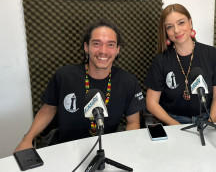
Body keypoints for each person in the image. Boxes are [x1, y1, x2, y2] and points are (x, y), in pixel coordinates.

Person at [15, 19, 145, 152]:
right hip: (65, 149)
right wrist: (27, 139)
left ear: (118, 50)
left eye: (111, 45)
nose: (103, 51)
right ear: (86, 47)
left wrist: (127, 149)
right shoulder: (64, 76)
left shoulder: (128, 81)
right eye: (96, 43)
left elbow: (133, 122)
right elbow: (47, 109)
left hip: (106, 150)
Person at [145, 3, 216, 125]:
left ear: (190, 23)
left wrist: (210, 122)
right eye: (169, 27)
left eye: (181, 23)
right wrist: (176, 126)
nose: (176, 30)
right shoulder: (161, 60)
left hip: (206, 119)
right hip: (172, 121)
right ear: (165, 31)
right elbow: (151, 103)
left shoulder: (212, 54)